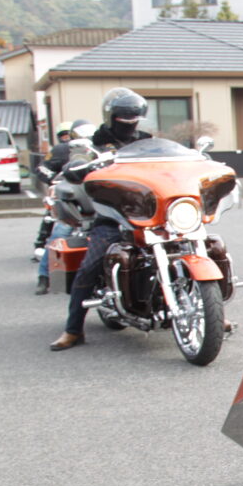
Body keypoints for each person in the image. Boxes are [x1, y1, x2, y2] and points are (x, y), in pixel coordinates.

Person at [49, 89, 151, 351]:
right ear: (111, 116)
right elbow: (76, 162)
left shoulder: (147, 142)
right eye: (124, 117)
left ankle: (209, 310)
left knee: (202, 246)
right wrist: (76, 166)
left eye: (134, 117)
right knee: (89, 265)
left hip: (151, 213)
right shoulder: (94, 144)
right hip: (112, 216)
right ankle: (73, 330)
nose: (129, 122)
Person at [33, 120, 90, 294]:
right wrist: (55, 180)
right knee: (60, 233)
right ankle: (44, 277)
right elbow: (42, 168)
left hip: (96, 197)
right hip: (73, 198)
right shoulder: (62, 150)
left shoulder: (103, 150)